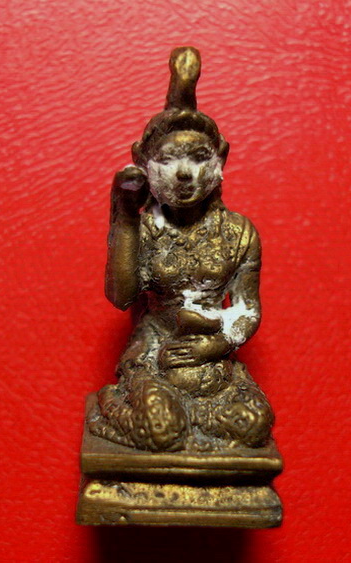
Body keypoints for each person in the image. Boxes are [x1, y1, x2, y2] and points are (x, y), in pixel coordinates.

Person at [89, 47, 274, 452]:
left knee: (254, 425)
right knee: (162, 430)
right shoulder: (145, 227)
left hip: (209, 357)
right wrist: (124, 218)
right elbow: (121, 297)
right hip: (156, 352)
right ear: (143, 163)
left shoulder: (238, 232)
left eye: (199, 157)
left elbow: (247, 309)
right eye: (168, 160)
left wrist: (219, 344)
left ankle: (191, 424)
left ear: (221, 159)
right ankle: (112, 406)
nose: (185, 173)